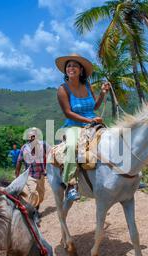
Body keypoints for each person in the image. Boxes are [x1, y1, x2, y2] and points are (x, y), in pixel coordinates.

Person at [55, 53, 110, 201]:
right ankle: (71, 185)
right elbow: (68, 113)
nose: (70, 68)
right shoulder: (62, 89)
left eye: (74, 65)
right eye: (68, 66)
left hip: (93, 122)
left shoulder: (87, 86)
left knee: (115, 140)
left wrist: (103, 94)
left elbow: (94, 106)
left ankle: (126, 177)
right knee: (72, 145)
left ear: (81, 70)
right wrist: (89, 121)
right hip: (74, 125)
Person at [15, 128, 50, 211]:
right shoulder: (24, 148)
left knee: (41, 196)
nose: (31, 139)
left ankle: (36, 208)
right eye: (30, 137)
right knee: (33, 193)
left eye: (33, 137)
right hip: (30, 175)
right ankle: (33, 213)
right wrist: (17, 177)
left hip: (41, 175)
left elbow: (51, 154)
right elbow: (19, 162)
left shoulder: (43, 145)